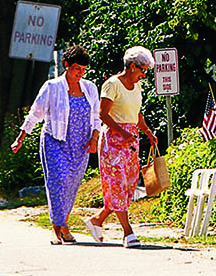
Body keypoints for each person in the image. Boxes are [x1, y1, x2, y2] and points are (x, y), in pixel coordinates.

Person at [11, 45, 101, 245]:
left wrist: (94, 138)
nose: (80, 73)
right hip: (55, 140)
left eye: (83, 70)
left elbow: (96, 116)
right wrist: (21, 137)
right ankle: (57, 230)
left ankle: (64, 225)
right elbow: (35, 113)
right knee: (58, 180)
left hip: (81, 145)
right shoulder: (52, 87)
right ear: (66, 65)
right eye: (77, 68)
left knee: (71, 186)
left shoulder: (90, 88)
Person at [84, 46, 158, 248]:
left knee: (128, 186)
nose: (144, 75)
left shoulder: (138, 86)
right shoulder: (112, 84)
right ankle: (128, 233)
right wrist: (122, 132)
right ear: (132, 66)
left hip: (131, 140)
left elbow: (137, 113)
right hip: (113, 141)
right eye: (142, 70)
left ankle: (97, 220)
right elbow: (103, 114)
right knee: (117, 183)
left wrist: (148, 132)